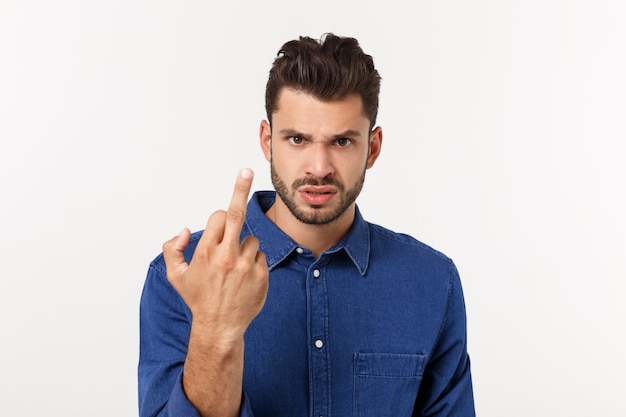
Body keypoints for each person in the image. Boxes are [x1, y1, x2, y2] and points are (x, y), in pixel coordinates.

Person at [138, 33, 475, 417]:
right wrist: (216, 331)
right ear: (267, 141)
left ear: (373, 148)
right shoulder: (183, 276)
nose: (319, 167)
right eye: (297, 139)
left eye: (343, 142)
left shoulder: (432, 281)